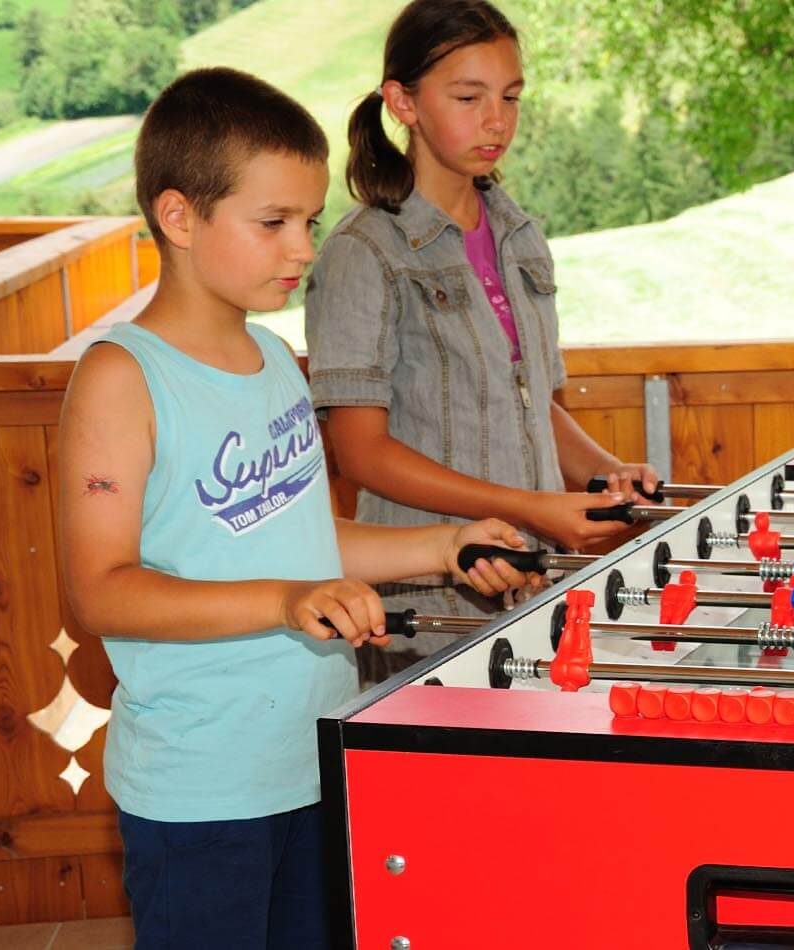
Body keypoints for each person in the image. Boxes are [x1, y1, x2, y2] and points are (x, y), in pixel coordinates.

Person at [56, 68, 535, 948]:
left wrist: (445, 544)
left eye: (308, 222)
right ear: (180, 217)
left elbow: (307, 539)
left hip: (311, 761)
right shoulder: (122, 378)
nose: (302, 248)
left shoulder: (277, 361)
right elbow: (100, 593)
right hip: (200, 793)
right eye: (272, 223)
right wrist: (283, 601)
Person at [306, 0, 656, 677]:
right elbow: (361, 453)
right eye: (468, 96)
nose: (497, 120)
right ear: (402, 102)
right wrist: (532, 508)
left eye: (512, 97)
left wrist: (603, 475)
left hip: (536, 583)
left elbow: (532, 403)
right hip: (426, 605)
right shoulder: (363, 252)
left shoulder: (518, 235)